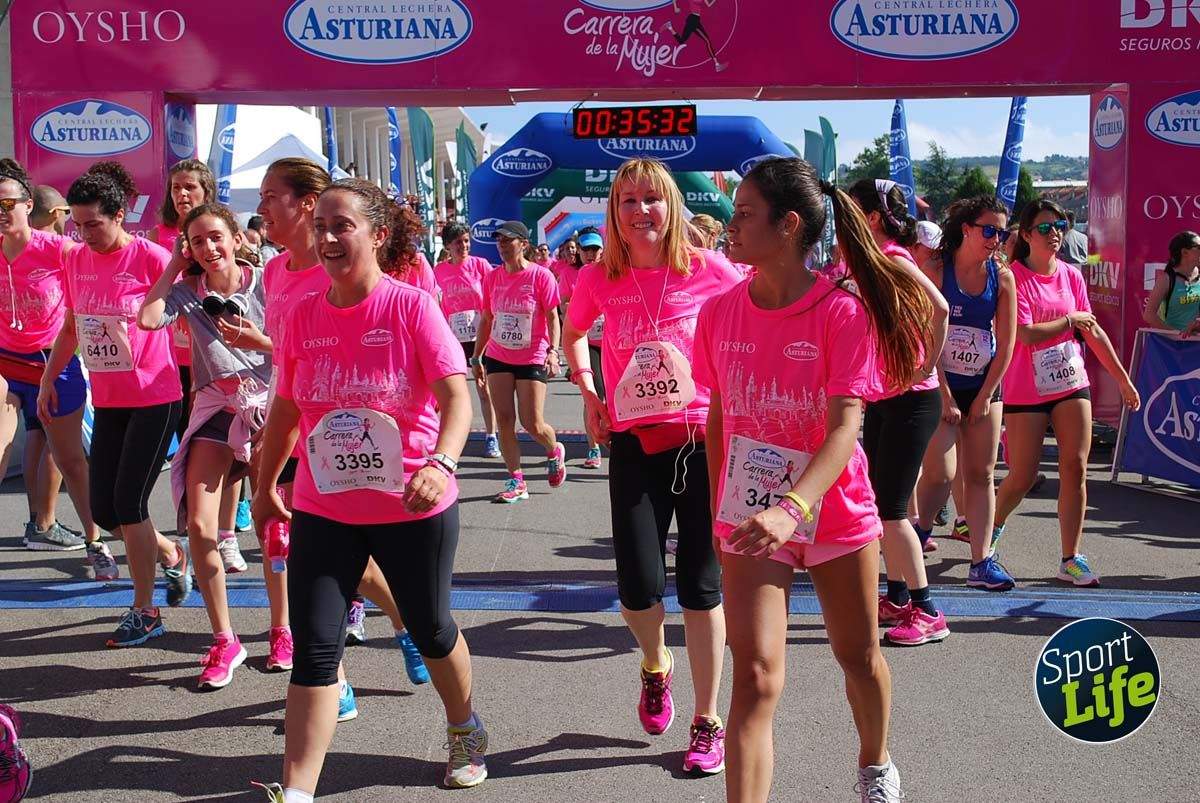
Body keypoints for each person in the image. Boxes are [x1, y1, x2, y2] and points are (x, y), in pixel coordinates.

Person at [252, 178, 485, 800]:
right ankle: (297, 792)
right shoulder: (302, 313)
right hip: (324, 504)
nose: (327, 238)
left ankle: (464, 727)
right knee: (315, 649)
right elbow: (286, 408)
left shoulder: (411, 307)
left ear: (378, 235)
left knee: (431, 629)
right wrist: (265, 481)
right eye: (320, 227)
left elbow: (457, 399)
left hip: (411, 502)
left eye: (342, 226)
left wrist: (442, 464)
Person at [697, 155, 910, 803]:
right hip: (751, 518)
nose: (731, 226)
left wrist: (792, 506)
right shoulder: (719, 312)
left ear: (788, 225)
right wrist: (722, 512)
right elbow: (717, 417)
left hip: (833, 510)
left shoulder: (840, 312)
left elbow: (846, 427)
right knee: (755, 678)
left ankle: (875, 762)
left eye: (745, 214)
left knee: (858, 657)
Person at [563, 158, 741, 775]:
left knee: (701, 587)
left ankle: (707, 720)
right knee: (638, 588)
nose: (641, 211)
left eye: (652, 199)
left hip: (702, 441)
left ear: (672, 206)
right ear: (614, 212)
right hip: (634, 444)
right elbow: (573, 332)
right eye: (628, 201)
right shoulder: (600, 277)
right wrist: (588, 392)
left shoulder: (709, 270)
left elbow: (754, 318)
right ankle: (654, 662)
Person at [257, 157, 429, 691]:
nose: (262, 207)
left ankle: (405, 623)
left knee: (353, 560)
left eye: (271, 196)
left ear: (304, 203)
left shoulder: (346, 269)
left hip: (360, 439)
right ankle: (333, 678)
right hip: (295, 423)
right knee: (303, 556)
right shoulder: (272, 271)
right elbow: (285, 362)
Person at [39, 162, 189, 647]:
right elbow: (72, 325)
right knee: (105, 511)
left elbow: (185, 311)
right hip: (108, 399)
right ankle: (171, 553)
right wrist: (47, 378)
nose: (84, 235)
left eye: (94, 224)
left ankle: (145, 611)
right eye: (77, 225)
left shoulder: (150, 257)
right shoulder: (77, 259)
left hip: (154, 396)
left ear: (120, 215)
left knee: (129, 503)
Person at [139, 202, 273, 689]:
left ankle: (283, 629)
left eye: (216, 237)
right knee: (199, 525)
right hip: (217, 405)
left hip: (271, 406)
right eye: (197, 241)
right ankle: (225, 638)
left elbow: (296, 345)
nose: (209, 248)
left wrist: (259, 341)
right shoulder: (187, 292)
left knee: (273, 526)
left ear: (237, 238)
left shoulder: (267, 283)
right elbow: (148, 319)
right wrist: (174, 266)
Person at [994, 199, 1140, 587]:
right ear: (1027, 235)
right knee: (1022, 477)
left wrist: (1122, 379)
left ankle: (1070, 558)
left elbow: (1092, 330)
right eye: (1045, 228)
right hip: (1026, 388)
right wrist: (1068, 321)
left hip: (1071, 383)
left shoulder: (1072, 276)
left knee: (1075, 467)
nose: (1054, 234)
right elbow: (1025, 334)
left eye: (1060, 226)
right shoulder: (1014, 278)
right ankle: (988, 529)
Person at [844, 179, 950, 647]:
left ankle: (928, 611)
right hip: (886, 397)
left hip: (912, 400)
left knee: (889, 510)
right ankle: (898, 595)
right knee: (886, 504)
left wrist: (926, 366)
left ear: (870, 217)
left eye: (850, 210)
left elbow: (940, 309)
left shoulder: (892, 256)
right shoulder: (869, 258)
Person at [0, 160, 110, 575]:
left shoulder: (59, 250)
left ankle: (95, 541)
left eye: (8, 204)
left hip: (52, 363)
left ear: (28, 205)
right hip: (6, 364)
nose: (1, 213)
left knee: (69, 460)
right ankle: (41, 524)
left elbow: (103, 274)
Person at [912, 196, 1018, 591]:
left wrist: (985, 395)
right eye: (988, 230)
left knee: (981, 473)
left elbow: (1006, 344)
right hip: (940, 381)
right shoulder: (937, 269)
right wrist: (944, 392)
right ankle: (919, 532)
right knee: (941, 472)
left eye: (1001, 233)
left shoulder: (1002, 277)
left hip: (983, 384)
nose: (995, 239)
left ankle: (981, 561)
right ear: (966, 229)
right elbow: (925, 337)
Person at [471, 220, 566, 502]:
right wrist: (476, 357)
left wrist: (553, 351)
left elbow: (552, 317)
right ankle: (516, 479)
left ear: (523, 244)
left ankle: (553, 450)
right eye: (498, 240)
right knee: (504, 420)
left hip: (532, 355)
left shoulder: (541, 276)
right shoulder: (492, 278)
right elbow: (487, 319)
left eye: (507, 240)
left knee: (532, 422)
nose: (501, 245)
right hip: (498, 355)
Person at [434, 222, 500, 458]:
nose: (463, 246)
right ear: (447, 246)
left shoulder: (480, 265)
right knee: (447, 390)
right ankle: (440, 439)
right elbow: (435, 302)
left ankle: (491, 436)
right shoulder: (438, 271)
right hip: (452, 338)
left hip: (480, 335)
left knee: (483, 387)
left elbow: (494, 294)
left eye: (466, 241)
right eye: (458, 242)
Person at [575, 227, 606, 469]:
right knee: (593, 395)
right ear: (578, 250)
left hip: (613, 342)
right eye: (586, 249)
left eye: (595, 249)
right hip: (588, 343)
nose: (590, 254)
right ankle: (593, 447)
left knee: (615, 396)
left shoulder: (612, 271)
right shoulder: (571, 274)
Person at [1142, 230, 1200, 336]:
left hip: (1195, 342)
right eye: (1199, 248)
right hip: (1170, 343)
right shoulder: (1166, 279)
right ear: (1184, 252)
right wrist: (1176, 334)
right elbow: (1149, 315)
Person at [662, 0, 727, 72]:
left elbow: (708, 5)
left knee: (681, 41)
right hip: (693, 20)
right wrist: (675, 7)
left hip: (696, 19)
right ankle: (717, 65)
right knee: (707, 41)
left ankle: (670, 27)